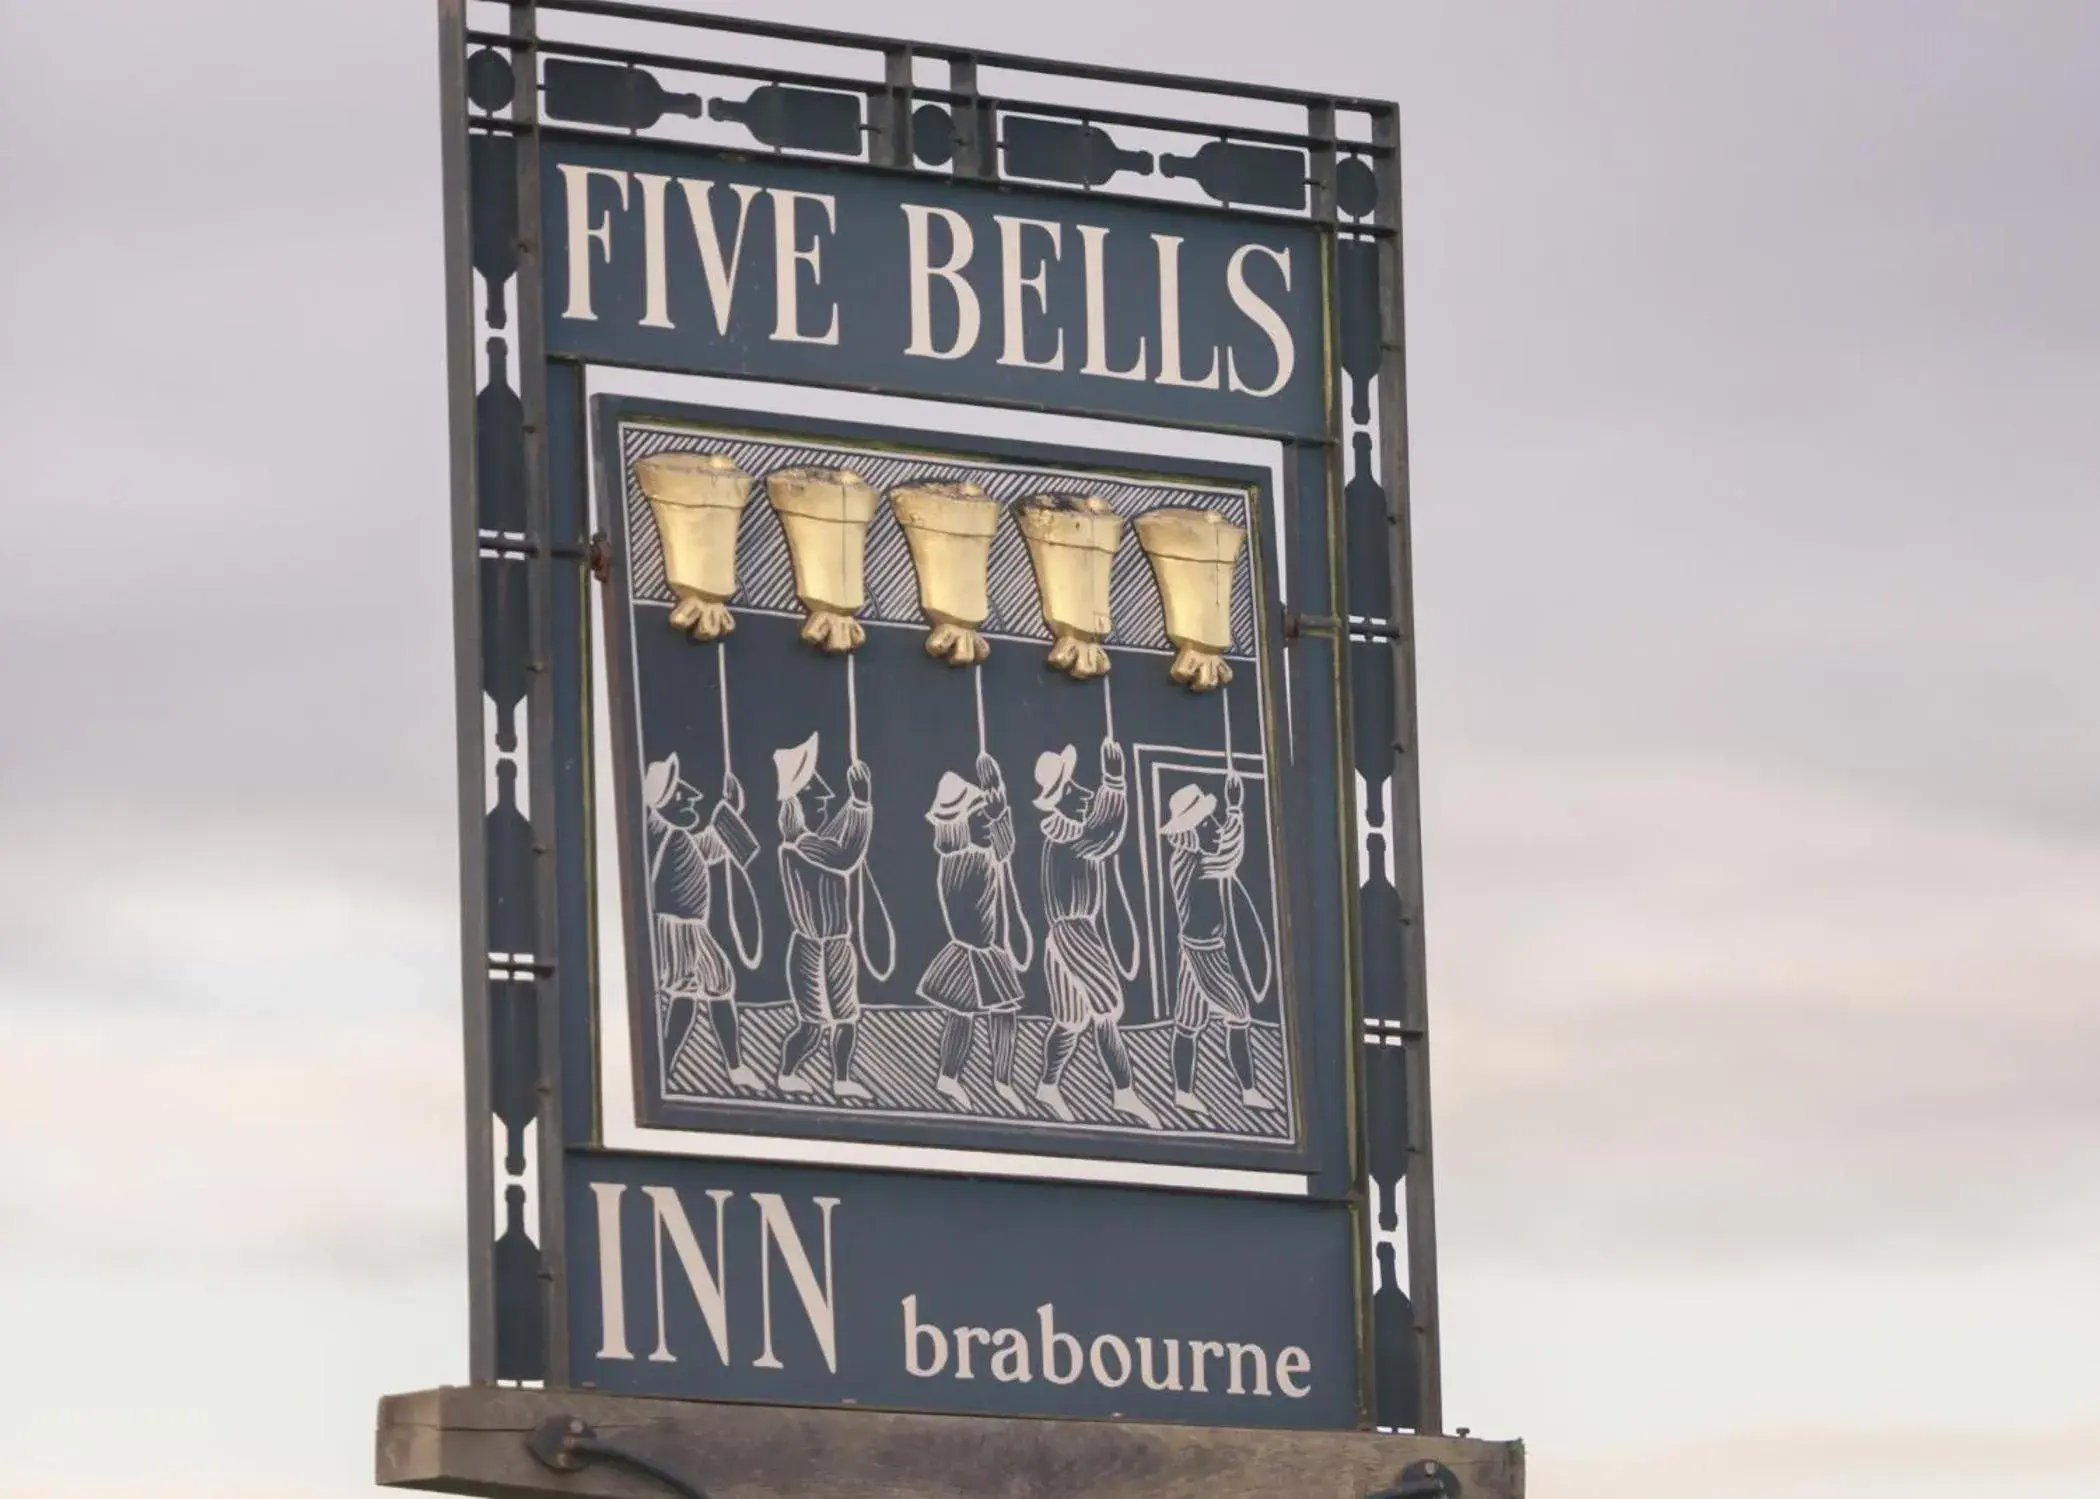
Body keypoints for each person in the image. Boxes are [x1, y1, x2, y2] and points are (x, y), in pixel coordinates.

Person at [1032, 738, 1160, 1127]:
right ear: (1059, 797)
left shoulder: (1063, 834)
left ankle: (1048, 1085)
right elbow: (1106, 832)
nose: (1083, 793)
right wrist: (1114, 782)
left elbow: (1099, 831)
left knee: (1071, 1020)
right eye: (1073, 788)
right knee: (1107, 1011)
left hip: (1063, 935)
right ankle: (1124, 1093)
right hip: (1075, 933)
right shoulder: (1068, 838)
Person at [917, 756, 1032, 1108]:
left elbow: (1003, 844)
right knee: (964, 1017)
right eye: (978, 815)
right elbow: (1004, 847)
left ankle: (1001, 1079)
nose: (986, 822)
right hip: (971, 951)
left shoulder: (971, 855)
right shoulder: (966, 860)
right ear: (961, 824)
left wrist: (997, 797)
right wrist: (999, 806)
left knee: (1003, 1013)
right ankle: (951, 1076)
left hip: (986, 950)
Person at [642, 753, 761, 1091]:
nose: (692, 797)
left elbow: (708, 848)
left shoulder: (680, 838)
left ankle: (724, 1065)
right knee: (696, 992)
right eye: (681, 794)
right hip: (676, 929)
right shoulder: (658, 831)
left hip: (693, 929)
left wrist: (731, 809)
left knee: (709, 990)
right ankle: (684, 1065)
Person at [1160, 772, 1273, 1113]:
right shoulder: (1193, 861)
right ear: (1191, 832)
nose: (1216, 828)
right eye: (1208, 824)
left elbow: (1224, 849)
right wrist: (1235, 808)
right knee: (1239, 1014)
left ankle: (1183, 1091)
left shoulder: (1187, 858)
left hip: (1195, 948)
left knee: (1188, 1022)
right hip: (1204, 951)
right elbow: (1230, 853)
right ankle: (1248, 1090)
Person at [773, 732, 876, 1099]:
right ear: (797, 801)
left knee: (847, 1017)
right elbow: (844, 855)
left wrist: (854, 802)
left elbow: (836, 835)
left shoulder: (813, 840)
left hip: (837, 944)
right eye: (815, 790)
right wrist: (861, 805)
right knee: (813, 1024)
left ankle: (842, 1077)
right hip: (811, 946)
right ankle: (787, 1073)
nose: (826, 796)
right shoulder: (798, 844)